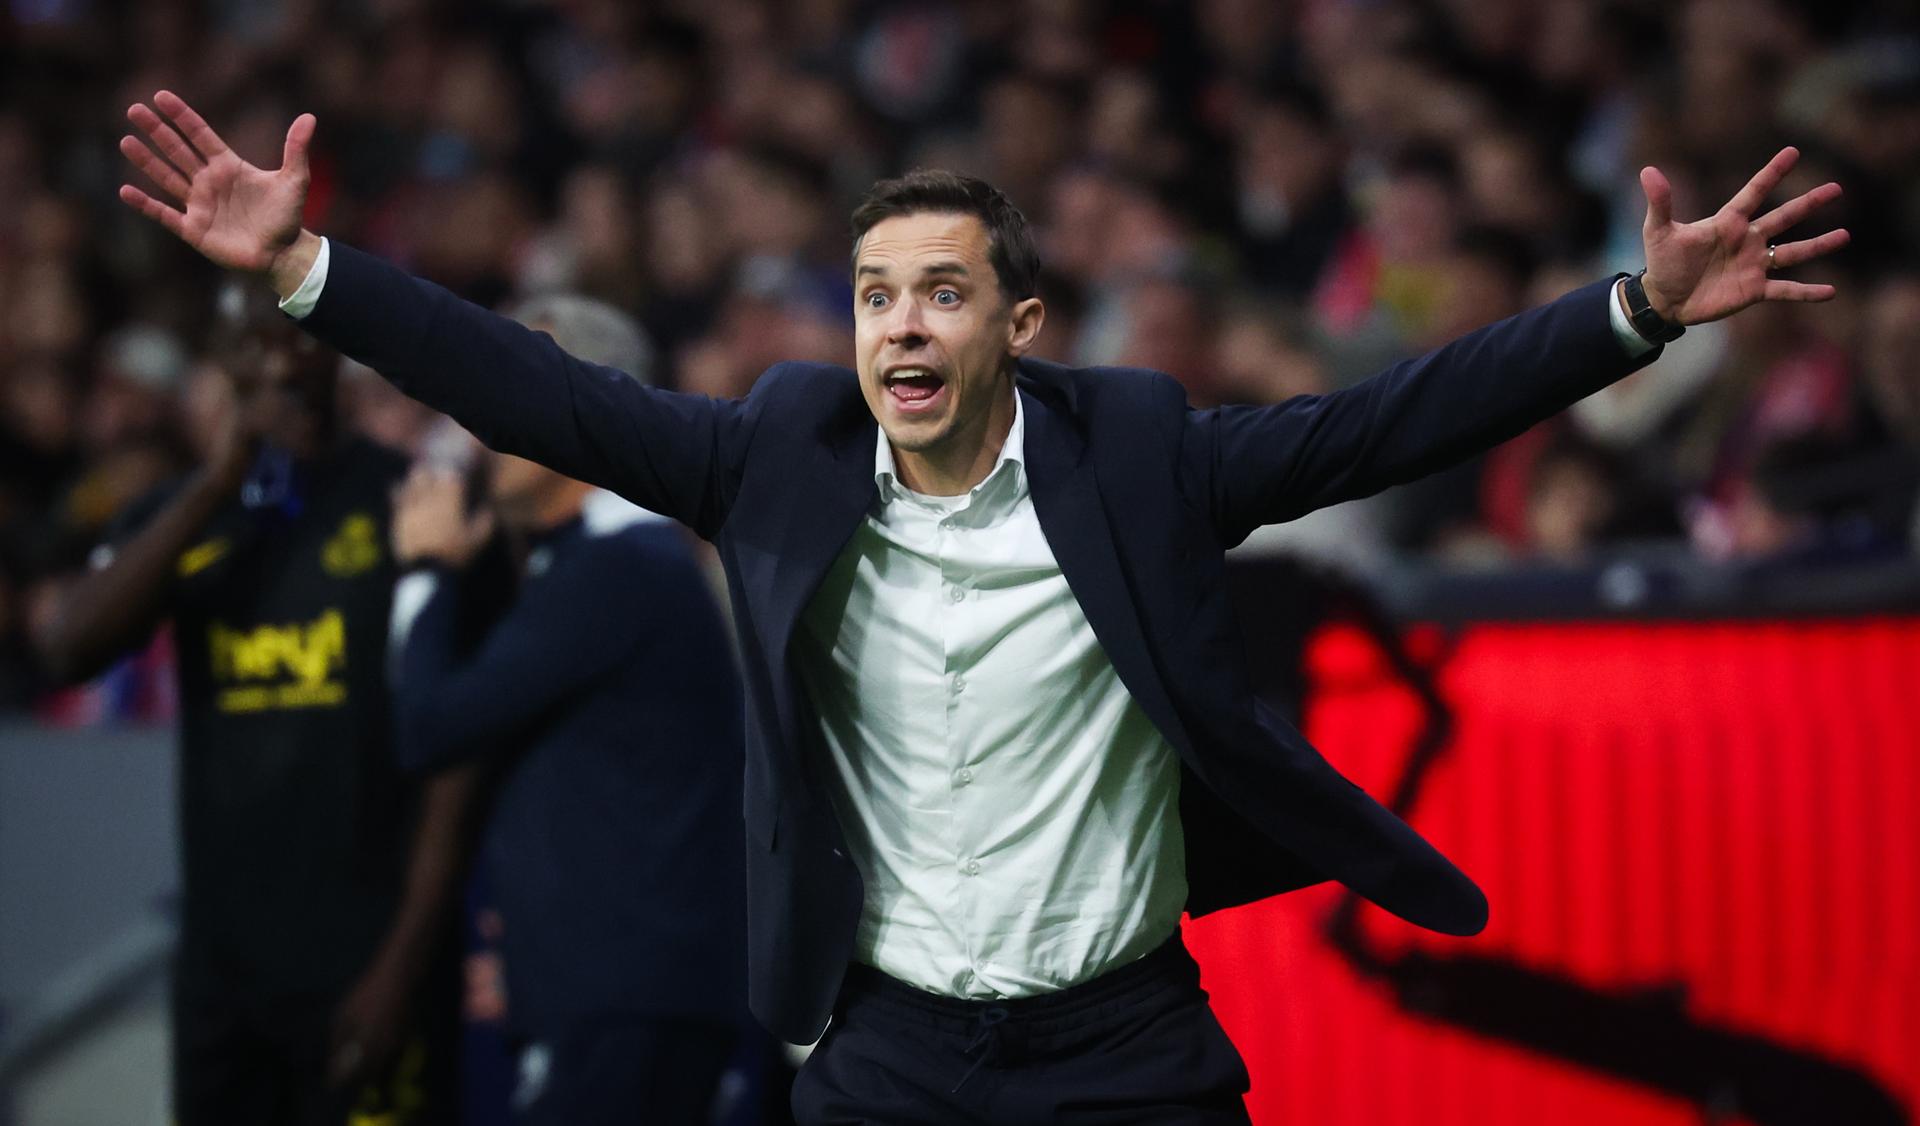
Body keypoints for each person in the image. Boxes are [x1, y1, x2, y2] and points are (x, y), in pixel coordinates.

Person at [116, 90, 1848, 1123]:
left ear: (1020, 323)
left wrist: (1631, 311)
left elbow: (1387, 418)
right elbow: (530, 390)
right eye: (876, 296)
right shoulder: (776, 456)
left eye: (944, 293)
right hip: (884, 1058)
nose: (902, 328)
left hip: (1127, 1042)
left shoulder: (1143, 454)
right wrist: (303, 271)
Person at [33, 282, 474, 1125]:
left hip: (366, 956)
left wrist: (401, 965)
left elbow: (457, 760)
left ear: (332, 351)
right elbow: (66, 648)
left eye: (293, 338)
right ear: (220, 368)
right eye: (249, 344)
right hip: (224, 971)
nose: (273, 361)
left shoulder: (408, 499)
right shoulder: (186, 513)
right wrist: (217, 481)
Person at [383, 293, 750, 1124]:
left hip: (627, 1009)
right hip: (617, 1001)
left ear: (587, 400)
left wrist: (427, 569)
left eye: (508, 388)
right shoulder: (604, 567)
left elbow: (430, 725)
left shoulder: (622, 569)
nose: (483, 428)